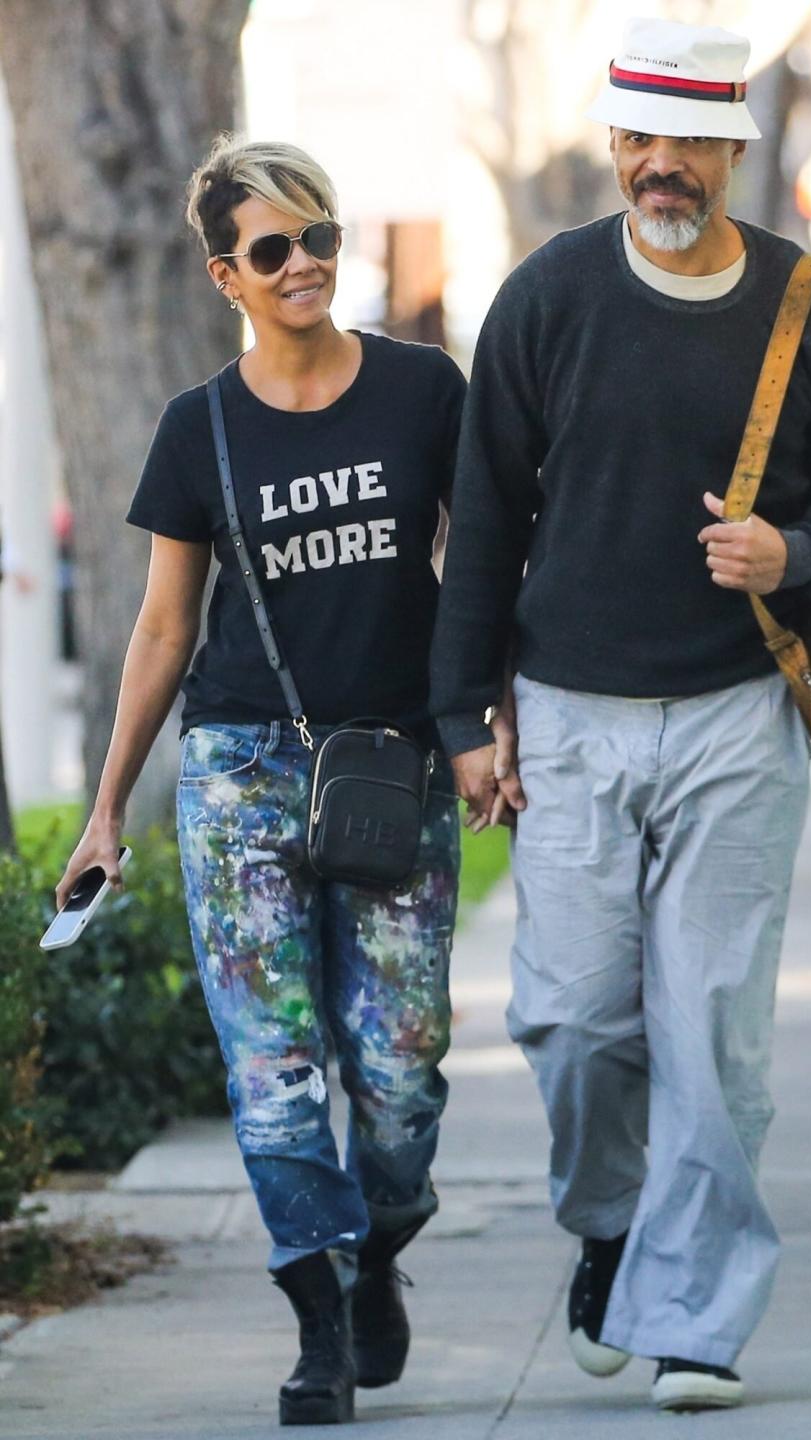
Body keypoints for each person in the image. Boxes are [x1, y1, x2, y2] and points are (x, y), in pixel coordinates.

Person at [430, 16, 811, 1415]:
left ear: (732, 151)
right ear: (615, 147)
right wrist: (466, 712)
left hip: (736, 716)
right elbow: (487, 516)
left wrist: (793, 556)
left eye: (691, 141)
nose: (664, 165)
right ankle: (610, 1225)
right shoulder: (548, 296)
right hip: (570, 713)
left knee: (711, 1029)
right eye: (641, 139)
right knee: (573, 1022)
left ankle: (697, 1317)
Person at [55, 135, 465, 1427]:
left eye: (322, 236)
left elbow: (481, 575)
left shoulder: (421, 394)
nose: (306, 266)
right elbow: (166, 629)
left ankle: (379, 1238)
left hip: (393, 764)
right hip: (240, 776)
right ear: (227, 274)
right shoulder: (200, 430)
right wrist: (109, 809)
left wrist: (489, 722)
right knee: (274, 1067)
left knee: (401, 1068)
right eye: (274, 249)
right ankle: (319, 1317)